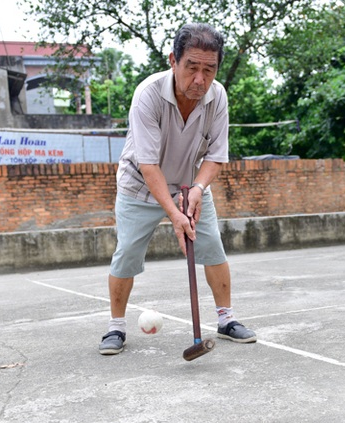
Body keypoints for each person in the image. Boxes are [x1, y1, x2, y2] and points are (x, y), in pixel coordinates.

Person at [99, 22, 257, 355]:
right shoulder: (148, 95)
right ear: (173, 60)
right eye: (191, 67)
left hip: (190, 184)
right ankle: (116, 327)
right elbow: (148, 164)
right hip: (140, 185)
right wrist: (174, 214)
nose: (200, 79)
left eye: (209, 70)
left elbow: (216, 156)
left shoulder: (218, 97)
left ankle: (226, 319)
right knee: (127, 252)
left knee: (212, 246)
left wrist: (197, 189)